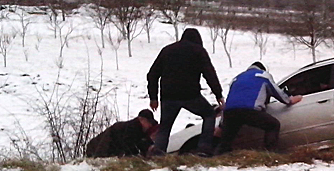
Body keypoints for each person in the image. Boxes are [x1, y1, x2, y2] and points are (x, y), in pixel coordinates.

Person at [147, 28, 224, 156]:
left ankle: (158, 154)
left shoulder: (167, 50)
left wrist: (153, 98)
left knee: (165, 126)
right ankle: (204, 148)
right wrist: (218, 94)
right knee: (209, 115)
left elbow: (152, 74)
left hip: (168, 96)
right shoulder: (199, 51)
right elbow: (209, 73)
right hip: (190, 95)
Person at [218, 61, 302, 153]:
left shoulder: (237, 78)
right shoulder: (263, 75)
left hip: (230, 112)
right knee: (273, 125)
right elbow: (276, 91)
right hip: (249, 111)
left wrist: (222, 125)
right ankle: (269, 153)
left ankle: (219, 156)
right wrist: (289, 100)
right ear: (262, 69)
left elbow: (231, 99)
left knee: (227, 137)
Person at [85, 109, 158, 158]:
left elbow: (141, 143)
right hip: (102, 145)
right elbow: (129, 146)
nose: (150, 125)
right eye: (148, 122)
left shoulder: (140, 130)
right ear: (141, 119)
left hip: (109, 145)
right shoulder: (131, 128)